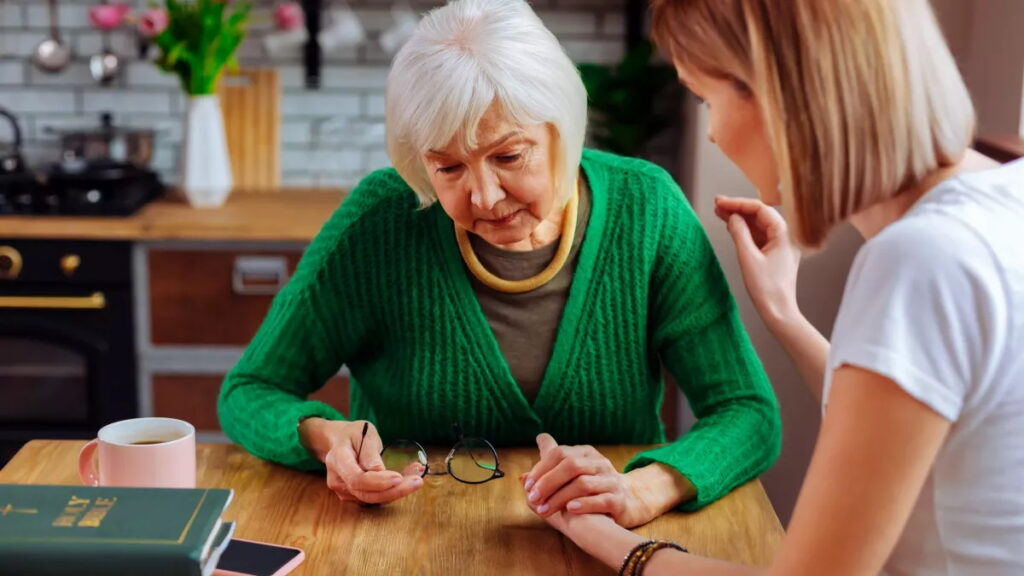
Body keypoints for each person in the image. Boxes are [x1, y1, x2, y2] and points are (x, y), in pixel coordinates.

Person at [218, 0, 780, 527]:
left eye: (508, 156)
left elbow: (746, 412)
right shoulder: (380, 222)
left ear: (563, 130)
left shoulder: (648, 210)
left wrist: (645, 489)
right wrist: (323, 437)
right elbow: (249, 390)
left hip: (605, 547)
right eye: (448, 168)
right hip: (406, 541)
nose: (483, 196)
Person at [531, 0, 1024, 574]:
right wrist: (784, 312)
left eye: (706, 98)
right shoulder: (1002, 196)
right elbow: (916, 429)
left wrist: (616, 545)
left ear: (785, 93)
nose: (712, 133)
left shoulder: (920, 260)